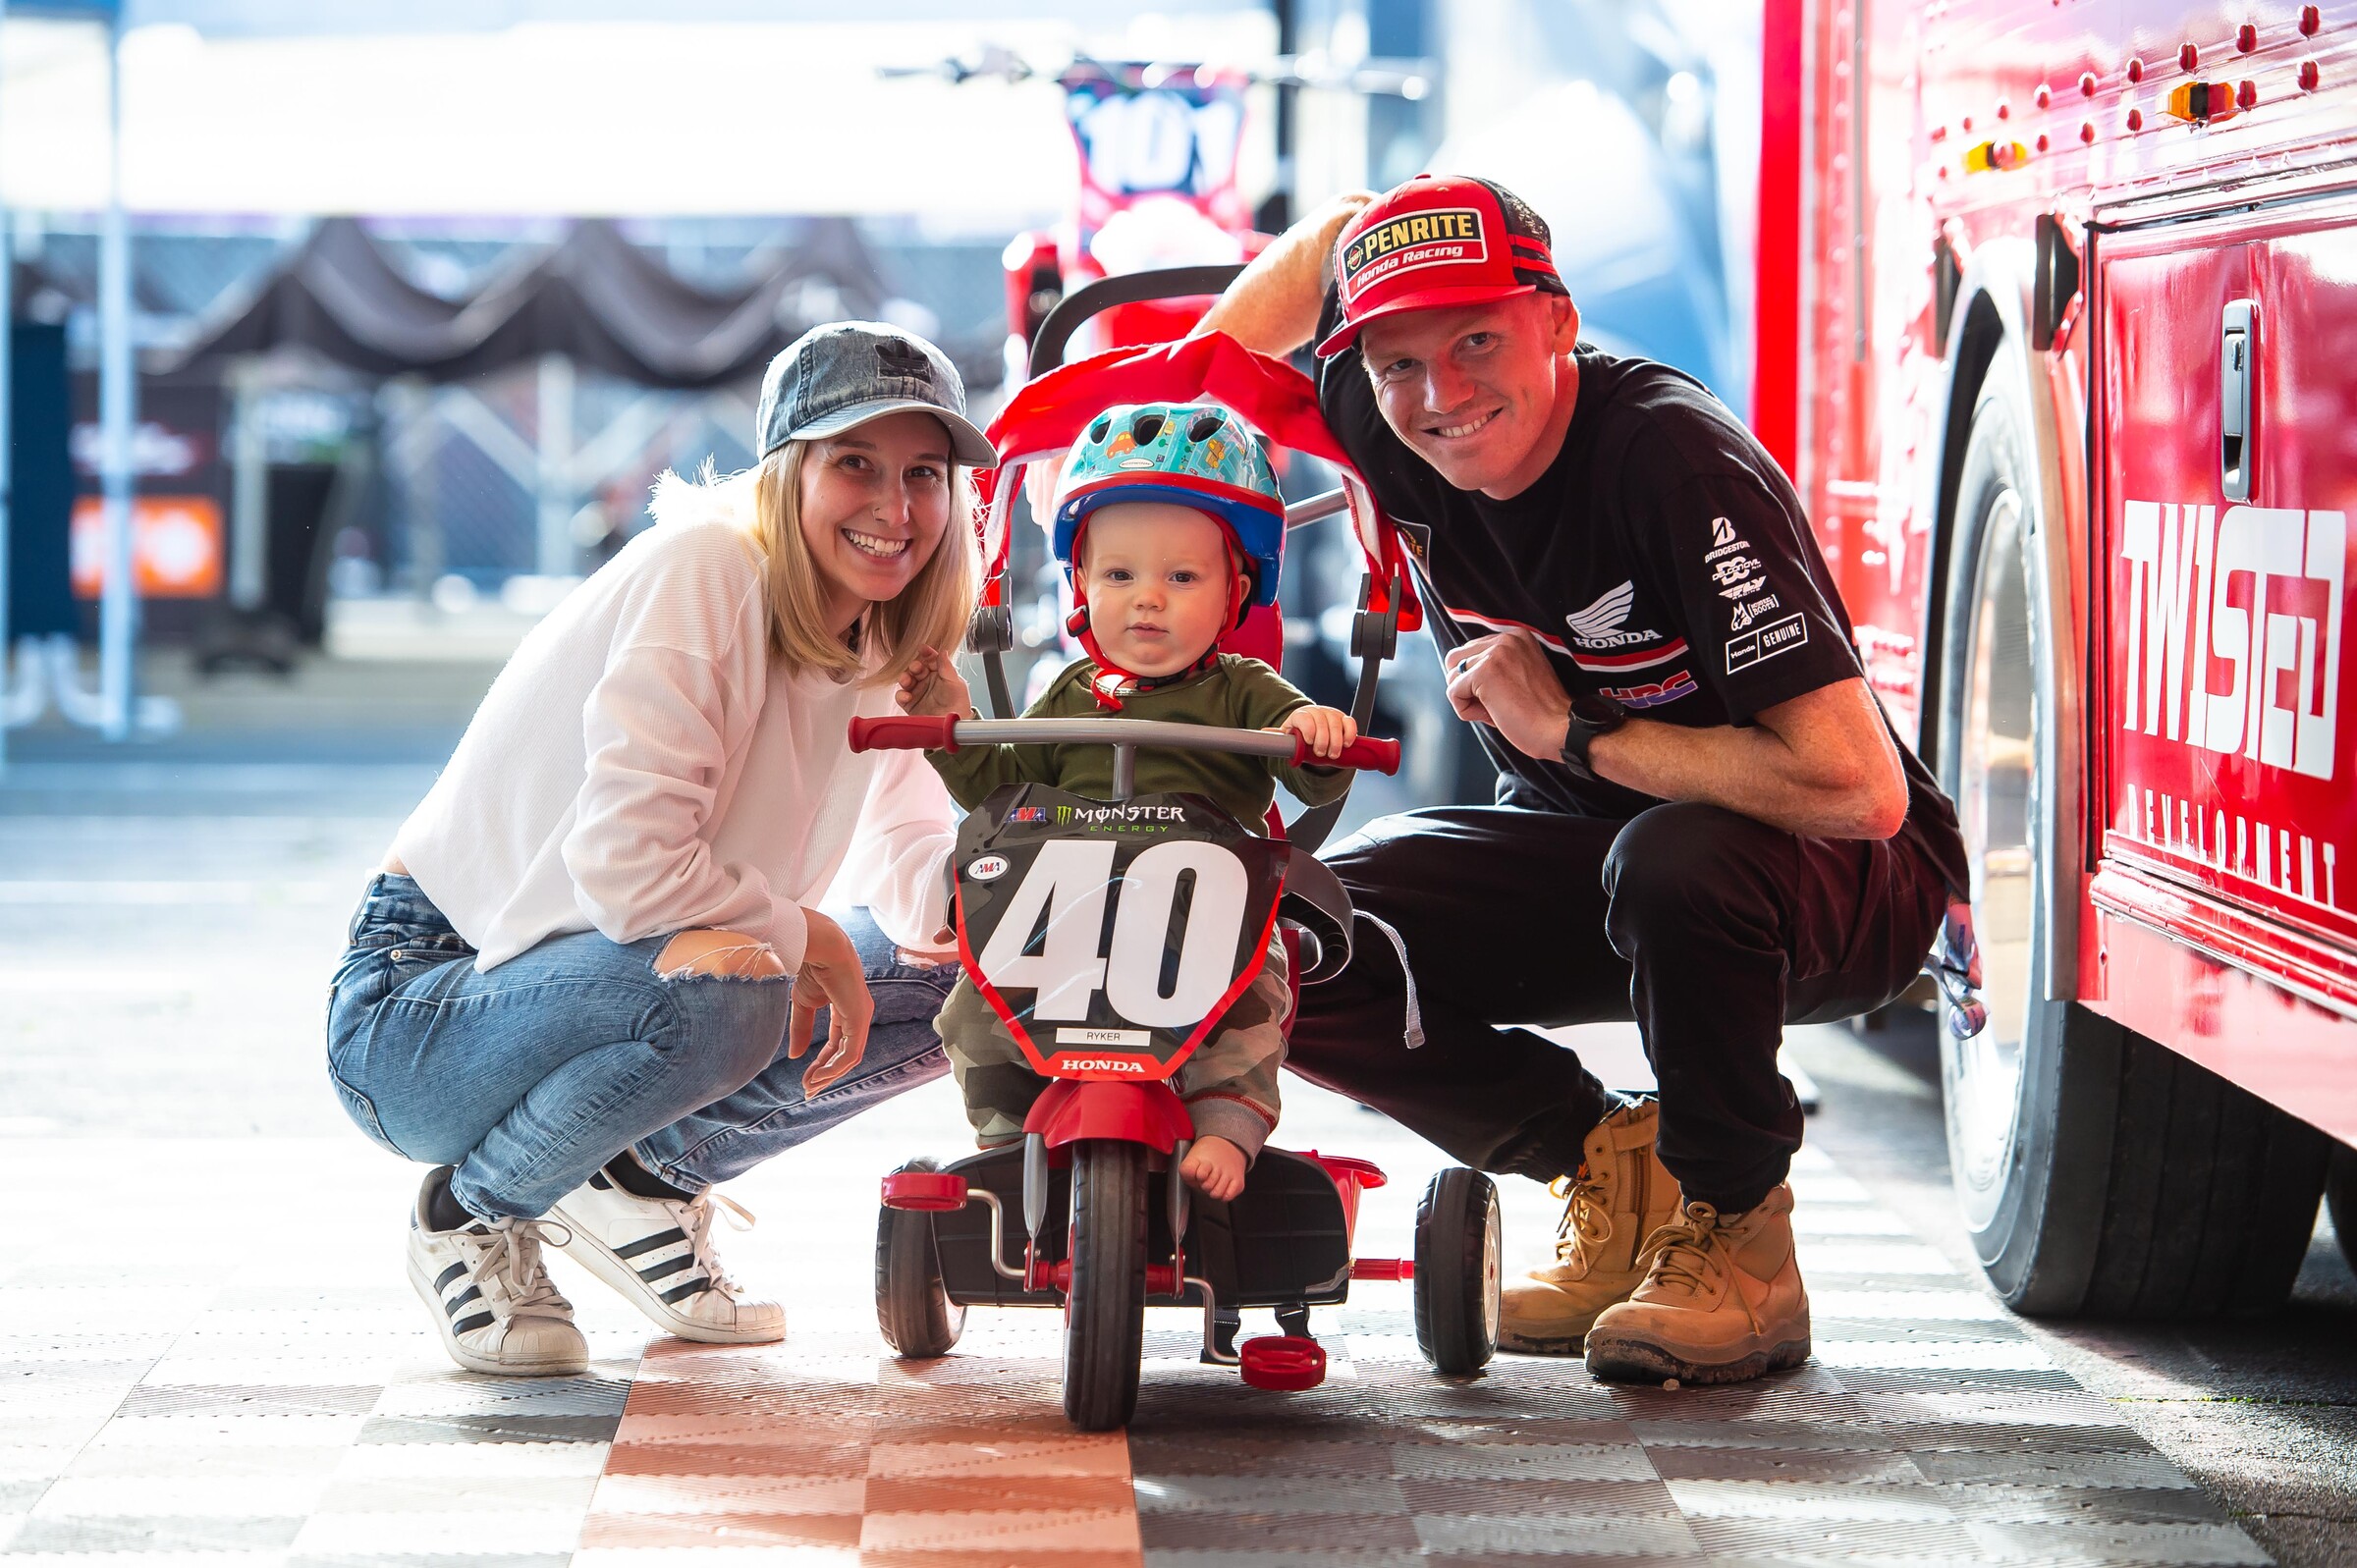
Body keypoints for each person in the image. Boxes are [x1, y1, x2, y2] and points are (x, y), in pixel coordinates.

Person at [1192, 176, 1969, 1384]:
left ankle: (1739, 1231)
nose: (1442, 396)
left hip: (1837, 877)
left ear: (1558, 322)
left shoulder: (1670, 461)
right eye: (1398, 362)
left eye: (1479, 341)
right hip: (1596, 858)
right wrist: (1146, 406)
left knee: (1673, 857)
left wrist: (1576, 735)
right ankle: (1606, 1161)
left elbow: (1859, 790)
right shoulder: (1390, 413)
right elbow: (1314, 260)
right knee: (1286, 931)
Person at [324, 322, 995, 1378]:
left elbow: (915, 887)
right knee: (731, 984)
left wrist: (971, 788)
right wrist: (807, 931)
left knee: (977, 972)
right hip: (425, 1007)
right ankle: (468, 1213)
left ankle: (637, 1182)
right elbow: (628, 871)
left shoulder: (890, 636)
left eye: (925, 473)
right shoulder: (714, 567)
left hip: (627, 976)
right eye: (854, 463)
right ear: (788, 471)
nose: (895, 507)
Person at [898, 401, 1360, 1203]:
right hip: (1068, 898)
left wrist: (1311, 732)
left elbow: (1312, 777)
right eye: (1119, 575)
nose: (1148, 598)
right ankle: (1010, 1133)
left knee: (1250, 997)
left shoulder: (1241, 688)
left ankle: (1226, 1121)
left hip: (1201, 899)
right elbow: (998, 787)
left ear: (1233, 594)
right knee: (976, 1008)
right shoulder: (1068, 691)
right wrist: (953, 726)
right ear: (1080, 585)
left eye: (1182, 577)